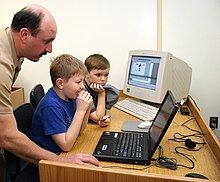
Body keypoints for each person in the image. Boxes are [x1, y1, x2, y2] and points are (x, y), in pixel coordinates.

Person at [0, 4, 99, 171]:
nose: (50, 49)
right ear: (24, 35)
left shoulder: (16, 48)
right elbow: (7, 136)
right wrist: (60, 161)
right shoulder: (2, 64)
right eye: (46, 41)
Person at [30, 54, 92, 153]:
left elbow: (79, 131)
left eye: (83, 81)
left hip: (64, 150)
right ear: (60, 83)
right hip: (50, 158)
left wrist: (86, 109)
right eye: (78, 82)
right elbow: (66, 146)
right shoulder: (50, 106)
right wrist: (80, 111)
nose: (83, 86)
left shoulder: (70, 97)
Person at [84, 54, 119, 127]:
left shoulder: (101, 87)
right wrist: (102, 94)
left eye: (106, 75)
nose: (103, 79)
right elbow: (98, 117)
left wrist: (104, 119)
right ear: (86, 74)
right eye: (98, 75)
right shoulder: (82, 90)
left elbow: (106, 113)